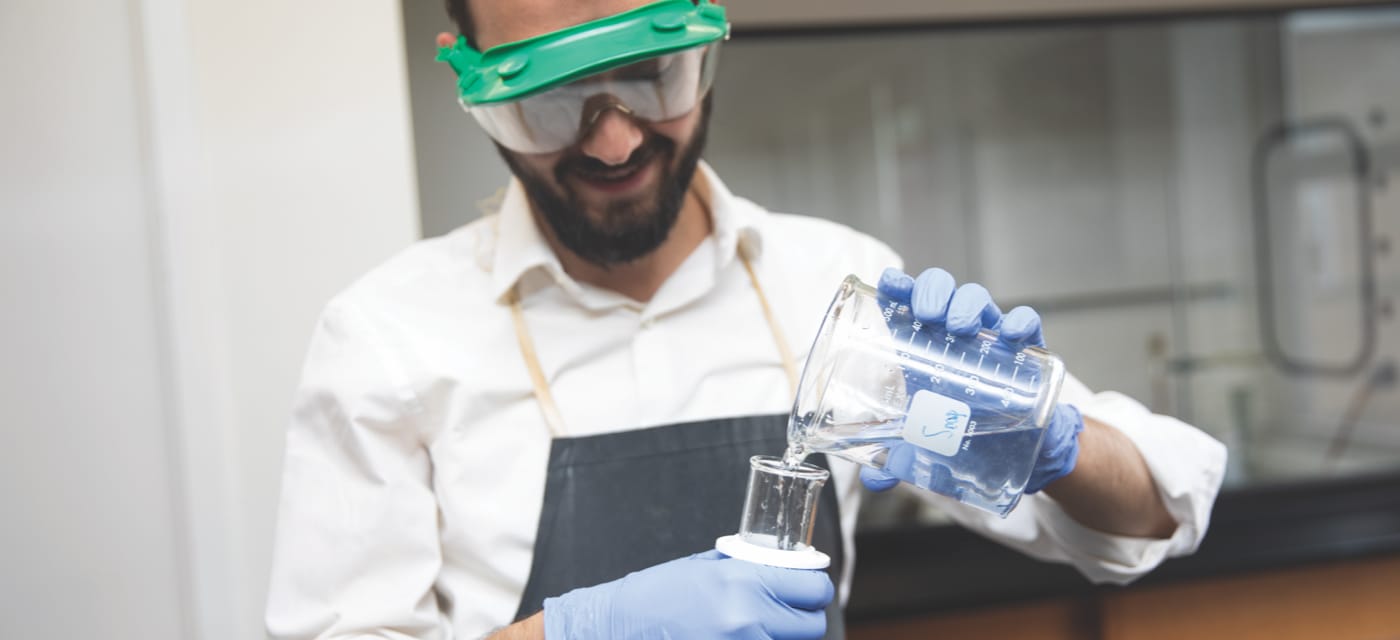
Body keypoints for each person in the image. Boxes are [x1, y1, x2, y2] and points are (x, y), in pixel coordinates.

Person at [264, 1, 1227, 638]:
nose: (613, 139)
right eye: (550, 96)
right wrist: (585, 634)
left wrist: (1045, 436)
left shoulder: (834, 284)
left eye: (652, 74)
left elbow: (1153, 513)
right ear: (469, 75)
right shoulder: (387, 340)